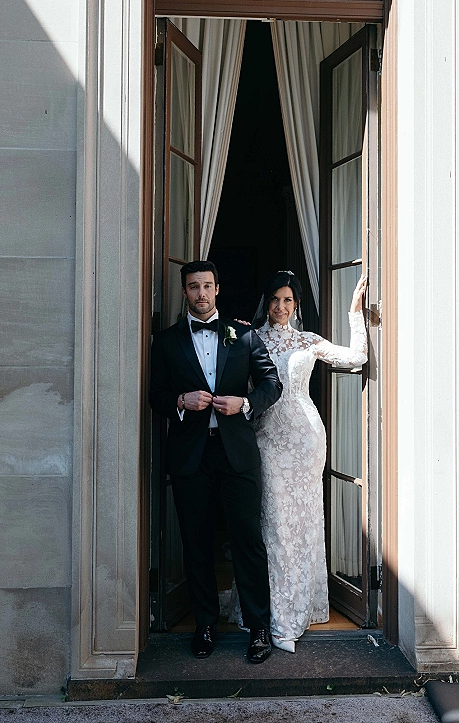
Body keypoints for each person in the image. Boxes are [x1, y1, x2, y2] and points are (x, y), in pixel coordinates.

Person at [149, 260, 283, 663]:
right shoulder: (166, 341)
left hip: (236, 454)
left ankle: (258, 628)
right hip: (191, 456)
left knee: (248, 542)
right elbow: (155, 395)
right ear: (185, 292)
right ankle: (204, 624)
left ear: (217, 290)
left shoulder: (244, 335)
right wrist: (180, 400)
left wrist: (246, 404)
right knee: (196, 543)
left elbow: (271, 383)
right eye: (194, 287)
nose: (201, 294)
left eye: (207, 286)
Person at [250, 270, 367, 653]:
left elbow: (357, 358)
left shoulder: (308, 340)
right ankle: (274, 615)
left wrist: (355, 312)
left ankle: (299, 609)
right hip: (268, 439)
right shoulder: (251, 338)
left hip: (306, 440)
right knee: (275, 525)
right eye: (275, 299)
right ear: (266, 302)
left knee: (303, 523)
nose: (280, 306)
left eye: (288, 300)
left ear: (296, 304)